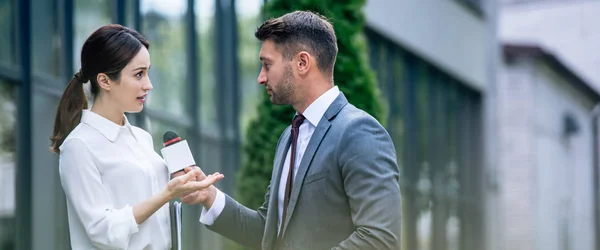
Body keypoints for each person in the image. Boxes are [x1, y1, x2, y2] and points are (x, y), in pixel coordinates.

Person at [179, 11, 402, 249]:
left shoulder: (358, 131)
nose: (260, 78)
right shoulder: (289, 136)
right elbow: (267, 231)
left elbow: (380, 237)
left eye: (267, 65)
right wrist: (209, 197)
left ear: (302, 63)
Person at [50, 24, 224, 250]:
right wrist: (166, 194)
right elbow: (102, 231)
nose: (148, 85)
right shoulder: (78, 146)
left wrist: (185, 185)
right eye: (139, 74)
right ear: (104, 81)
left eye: (148, 72)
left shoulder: (141, 138)